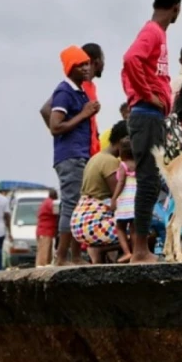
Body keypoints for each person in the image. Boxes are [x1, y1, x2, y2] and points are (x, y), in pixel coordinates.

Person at [122, 0, 182, 264]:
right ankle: (139, 251)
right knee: (147, 182)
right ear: (176, 8)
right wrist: (148, 94)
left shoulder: (157, 33)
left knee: (150, 181)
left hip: (151, 116)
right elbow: (131, 58)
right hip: (146, 114)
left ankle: (140, 249)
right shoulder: (153, 32)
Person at [49, 45, 98, 266]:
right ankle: (61, 258)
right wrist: (84, 114)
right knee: (71, 205)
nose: (86, 68)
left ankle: (76, 256)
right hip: (70, 157)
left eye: (87, 63)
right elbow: (55, 126)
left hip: (81, 154)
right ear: (70, 68)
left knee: (79, 206)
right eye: (80, 65)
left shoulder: (79, 91)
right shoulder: (64, 91)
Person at [70, 120, 129, 262]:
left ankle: (100, 256)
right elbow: (119, 197)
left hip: (80, 223)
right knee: (144, 232)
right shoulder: (110, 162)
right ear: (123, 140)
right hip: (93, 225)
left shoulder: (96, 158)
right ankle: (100, 249)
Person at [41, 43, 105, 157]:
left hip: (89, 152)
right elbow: (46, 109)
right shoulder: (74, 86)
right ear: (97, 61)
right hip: (75, 154)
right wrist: (66, 137)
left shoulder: (89, 86)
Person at [111, 138, 137, 263]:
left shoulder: (123, 165)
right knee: (133, 228)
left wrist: (114, 198)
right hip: (135, 200)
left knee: (120, 226)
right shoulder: (138, 164)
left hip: (125, 200)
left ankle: (127, 252)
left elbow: (120, 183)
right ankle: (136, 251)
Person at [35, 189, 59, 267]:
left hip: (44, 229)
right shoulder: (50, 203)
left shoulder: (45, 202)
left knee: (46, 249)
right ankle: (42, 265)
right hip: (46, 230)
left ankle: (45, 264)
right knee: (44, 250)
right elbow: (57, 212)